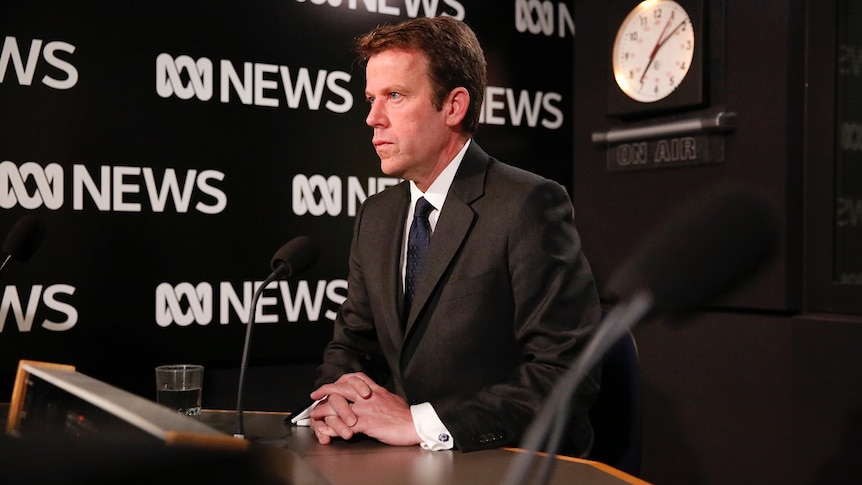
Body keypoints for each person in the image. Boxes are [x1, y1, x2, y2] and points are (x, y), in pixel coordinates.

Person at [307, 15, 601, 456]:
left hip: (507, 460)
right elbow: (352, 343)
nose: (372, 118)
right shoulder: (376, 215)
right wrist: (336, 398)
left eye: (395, 96)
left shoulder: (528, 204)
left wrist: (420, 424)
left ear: (454, 106)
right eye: (371, 98)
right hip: (402, 461)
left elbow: (565, 371)